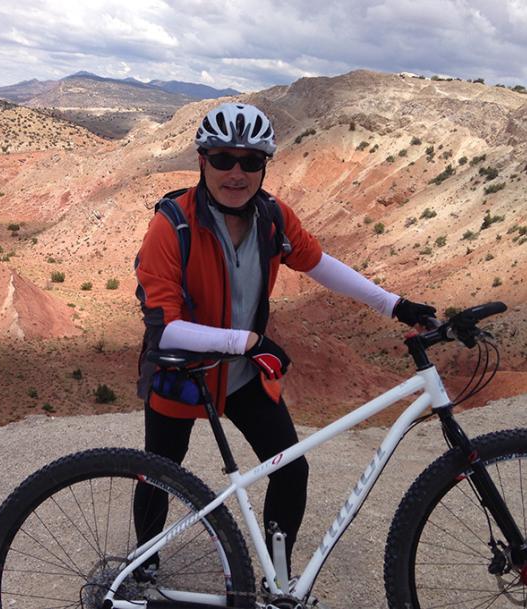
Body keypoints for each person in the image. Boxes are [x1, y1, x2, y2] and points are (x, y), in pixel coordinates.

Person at [132, 102, 435, 579]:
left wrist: (393, 305)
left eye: (251, 161)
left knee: (290, 471)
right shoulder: (171, 226)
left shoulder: (272, 217)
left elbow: (320, 263)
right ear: (202, 161)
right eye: (223, 159)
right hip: (181, 373)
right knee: (160, 475)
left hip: (244, 375)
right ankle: (142, 570)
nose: (237, 172)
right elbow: (164, 326)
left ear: (264, 166)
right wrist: (247, 341)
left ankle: (279, 576)